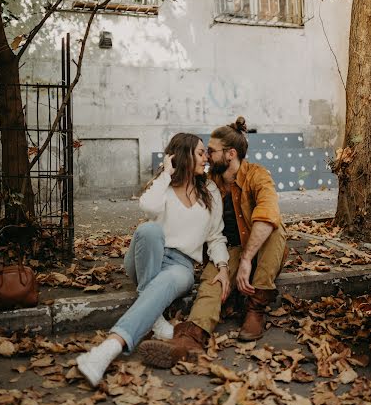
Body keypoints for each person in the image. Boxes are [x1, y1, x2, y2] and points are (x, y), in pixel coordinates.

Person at [76, 133, 230, 387]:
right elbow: (148, 208)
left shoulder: (210, 191)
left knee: (165, 280)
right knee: (149, 230)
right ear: (184, 156)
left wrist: (222, 267)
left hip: (180, 266)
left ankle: (106, 350)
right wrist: (165, 175)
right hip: (147, 257)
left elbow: (215, 237)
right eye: (201, 153)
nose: (206, 158)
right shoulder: (164, 185)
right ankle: (154, 312)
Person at [139, 117, 288, 369]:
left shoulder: (257, 176)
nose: (206, 156)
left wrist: (245, 261)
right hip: (226, 251)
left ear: (230, 154)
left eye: (211, 151)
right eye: (204, 151)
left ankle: (256, 308)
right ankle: (189, 339)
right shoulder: (210, 183)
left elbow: (267, 216)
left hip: (259, 251)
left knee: (275, 230)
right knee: (212, 283)